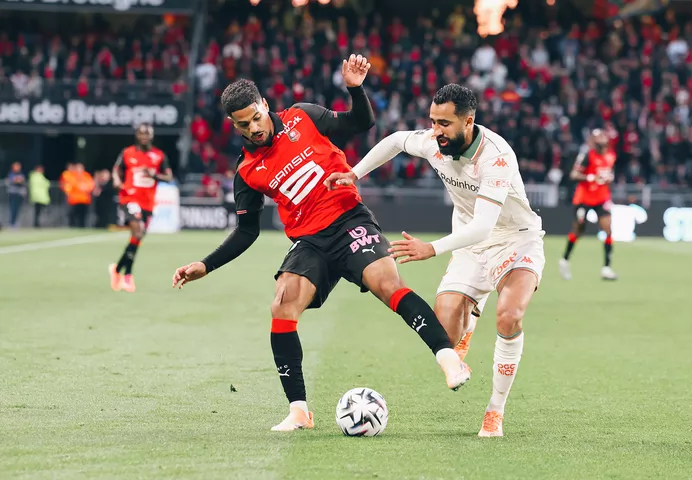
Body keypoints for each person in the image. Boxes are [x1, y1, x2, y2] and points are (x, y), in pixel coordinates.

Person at [171, 55, 470, 432]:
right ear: (233, 124)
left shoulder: (303, 117)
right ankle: (299, 411)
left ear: (264, 104)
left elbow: (360, 122)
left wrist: (355, 90)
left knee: (386, 283)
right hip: (309, 241)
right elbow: (247, 231)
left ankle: (448, 358)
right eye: (243, 125)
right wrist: (206, 264)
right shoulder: (246, 171)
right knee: (282, 304)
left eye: (256, 118)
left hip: (349, 219)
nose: (254, 128)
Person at [326, 83, 545, 437]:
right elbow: (396, 140)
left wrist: (433, 248)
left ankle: (495, 411)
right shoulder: (433, 142)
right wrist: (355, 173)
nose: (436, 131)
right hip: (469, 245)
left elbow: (484, 226)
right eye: (432, 121)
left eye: (444, 123)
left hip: (514, 240)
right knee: (445, 336)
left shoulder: (496, 157)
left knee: (509, 315)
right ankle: (468, 323)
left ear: (468, 121)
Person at [110, 123, 172, 292]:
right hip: (129, 197)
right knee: (138, 232)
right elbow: (116, 169)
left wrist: (155, 174)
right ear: (136, 135)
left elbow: (169, 177)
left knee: (137, 237)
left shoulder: (159, 156)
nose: (144, 136)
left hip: (148, 202)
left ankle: (117, 270)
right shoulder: (127, 153)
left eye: (147, 134)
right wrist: (116, 180)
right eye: (141, 133)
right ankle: (128, 275)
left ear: (152, 136)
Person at [560, 128, 618, 280]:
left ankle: (606, 268)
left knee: (608, 229)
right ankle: (565, 259)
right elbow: (574, 174)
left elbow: (610, 175)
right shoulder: (587, 155)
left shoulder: (611, 156)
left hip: (602, 198)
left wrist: (609, 181)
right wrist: (591, 178)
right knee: (578, 230)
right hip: (584, 198)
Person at [6, 162, 27, 228]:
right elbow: (14, 180)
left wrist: (18, 180)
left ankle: (14, 222)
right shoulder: (11, 174)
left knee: (17, 209)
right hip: (13, 193)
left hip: (19, 194)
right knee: (13, 208)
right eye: (16, 166)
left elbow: (21, 181)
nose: (18, 168)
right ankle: (11, 223)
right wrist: (17, 180)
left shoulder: (21, 174)